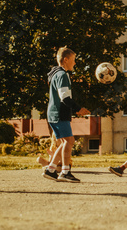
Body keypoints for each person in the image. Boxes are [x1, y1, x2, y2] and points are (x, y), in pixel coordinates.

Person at [42, 47, 90, 183]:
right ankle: (65, 172)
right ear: (66, 60)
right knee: (69, 141)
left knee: (65, 142)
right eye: (73, 60)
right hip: (59, 113)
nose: (74, 63)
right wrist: (78, 109)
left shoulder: (55, 74)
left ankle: (50, 170)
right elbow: (65, 98)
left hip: (53, 113)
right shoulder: (62, 75)